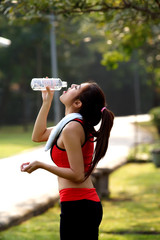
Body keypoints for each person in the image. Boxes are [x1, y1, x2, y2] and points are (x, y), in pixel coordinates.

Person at [21, 81, 114, 240]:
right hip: (78, 204)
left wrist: (41, 165)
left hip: (80, 206)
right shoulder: (70, 125)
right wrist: (46, 102)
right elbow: (38, 136)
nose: (71, 86)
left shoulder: (73, 128)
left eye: (76, 88)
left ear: (78, 103)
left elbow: (78, 175)